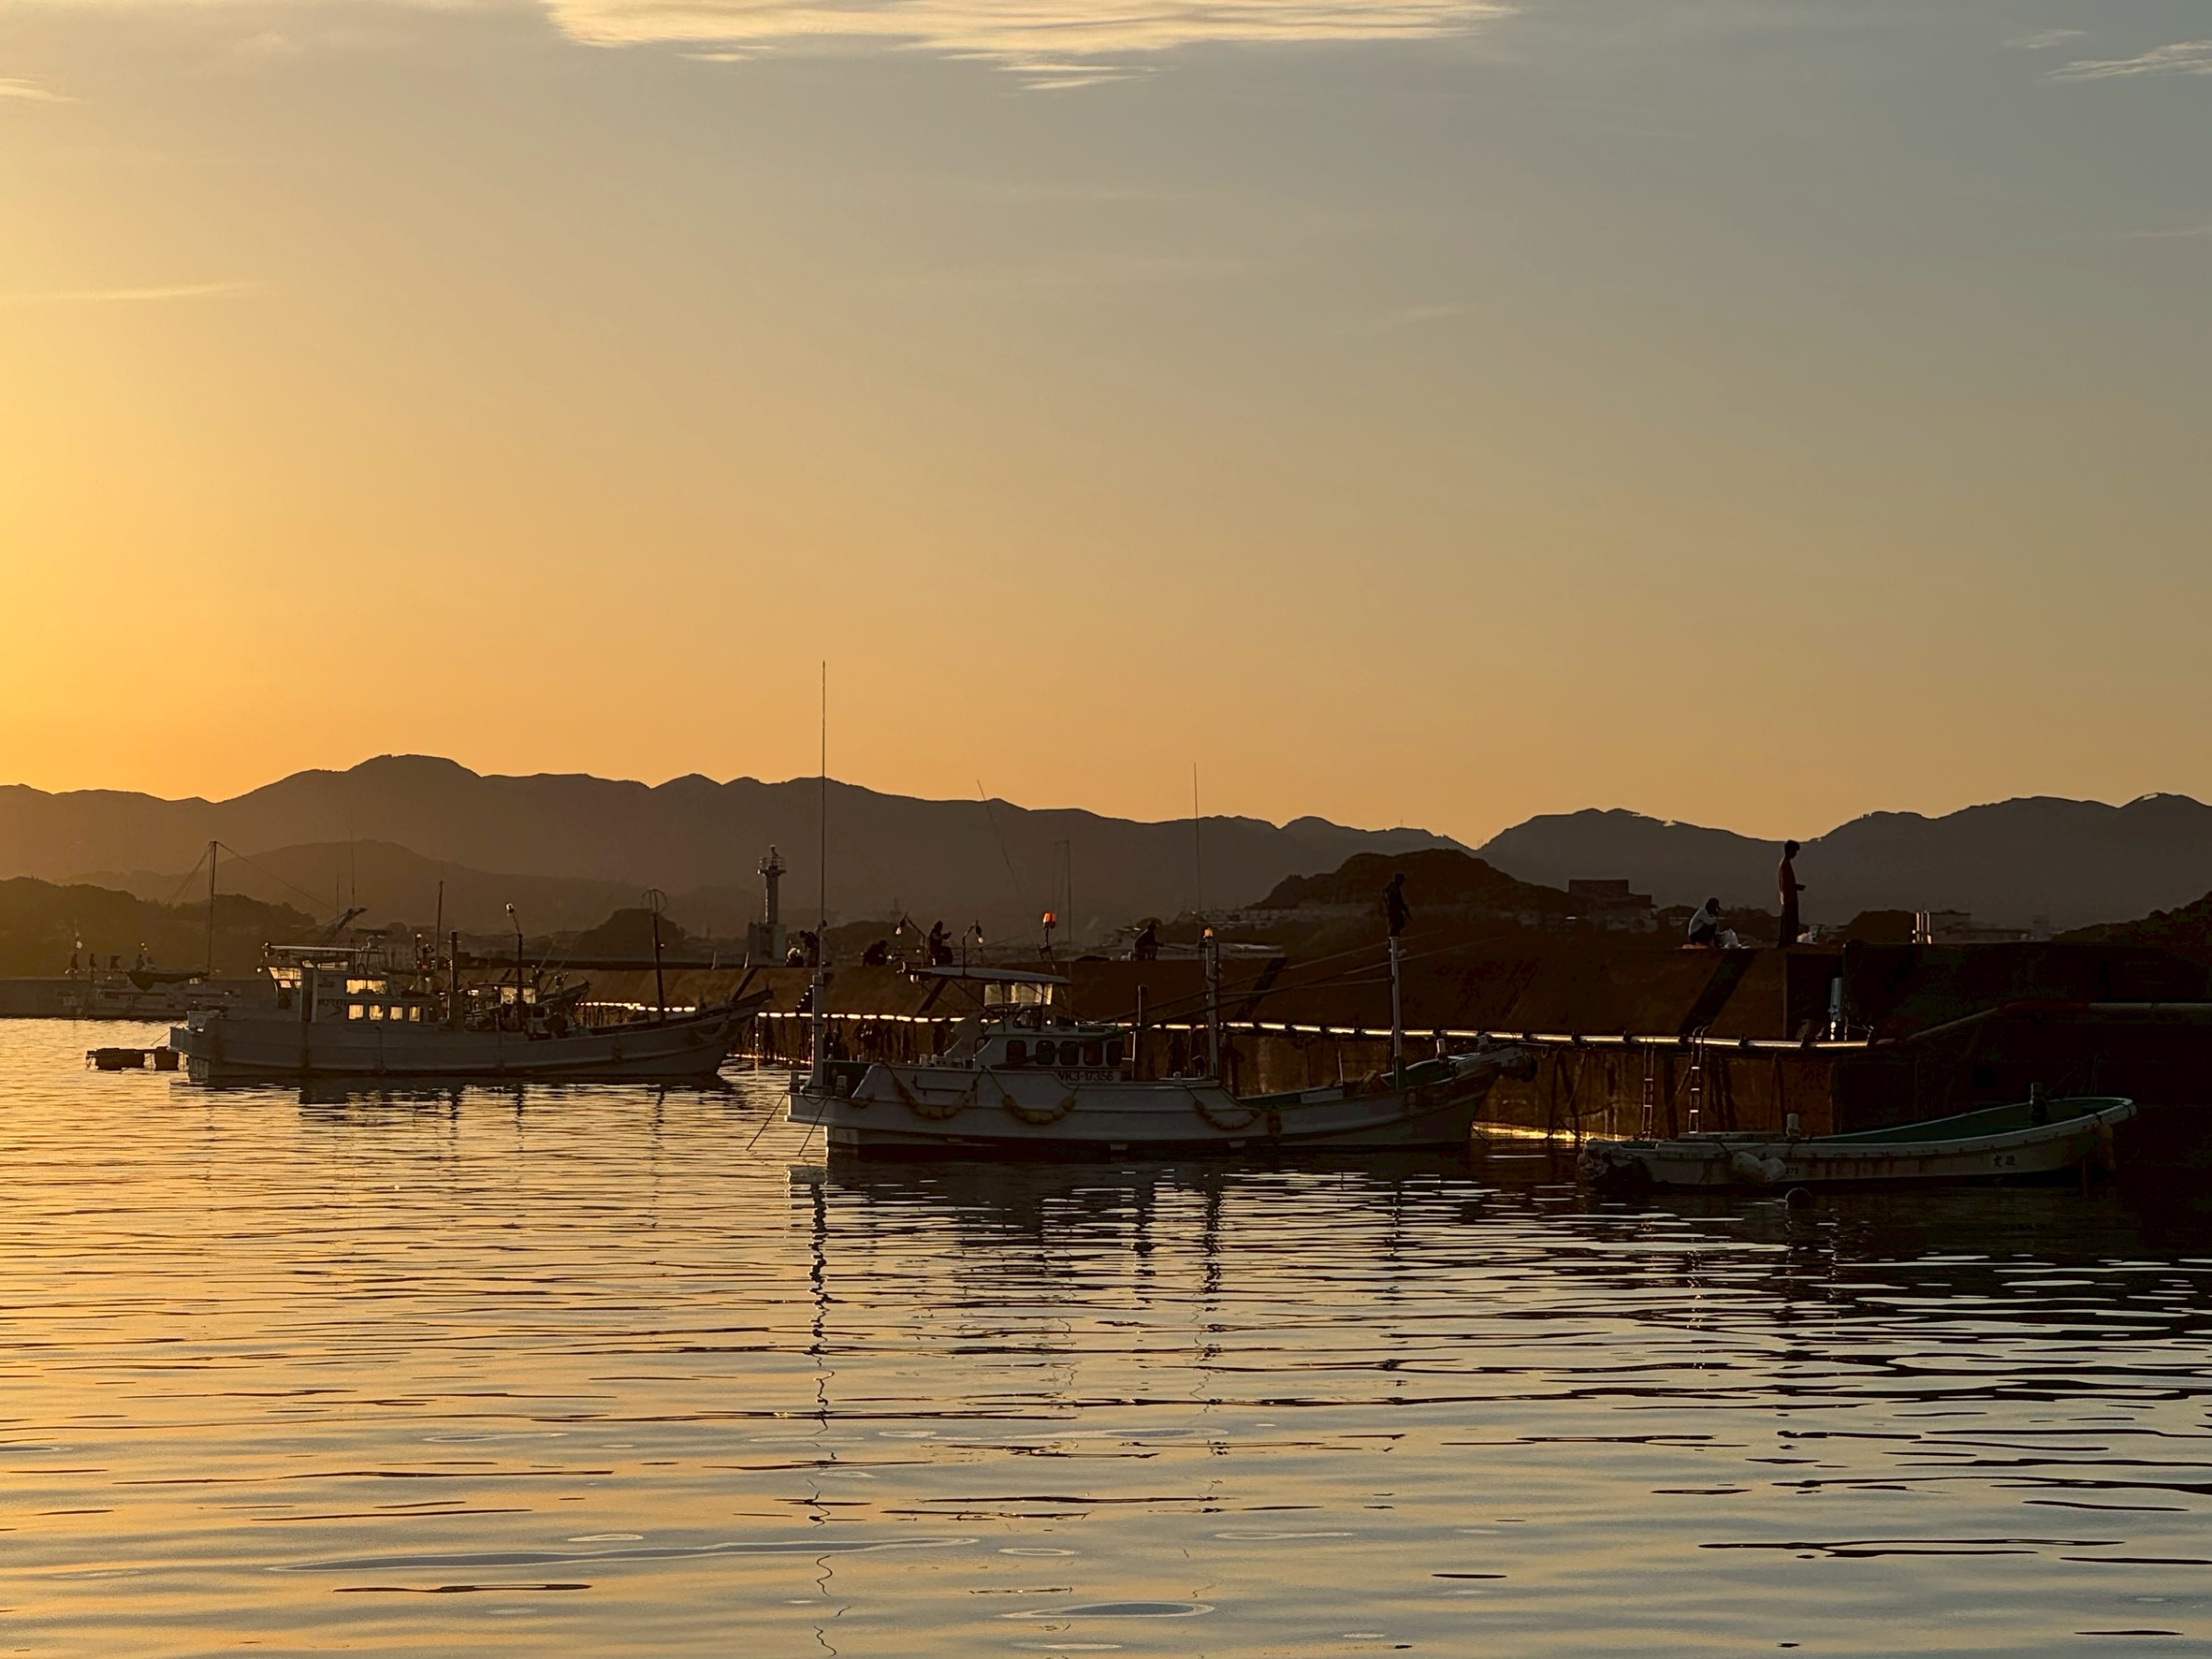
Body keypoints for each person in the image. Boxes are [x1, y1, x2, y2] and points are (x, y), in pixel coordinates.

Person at [1777, 840, 1806, 947]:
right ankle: (1788, 943)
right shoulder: (1785, 865)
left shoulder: (1784, 864)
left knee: (1789, 923)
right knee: (1790, 924)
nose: (1795, 854)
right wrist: (1797, 887)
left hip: (1788, 898)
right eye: (1794, 851)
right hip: (1789, 898)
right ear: (1789, 851)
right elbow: (1788, 883)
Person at [1383, 872, 1411, 939]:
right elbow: (1399, 901)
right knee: (1395, 928)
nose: (1402, 883)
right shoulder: (1394, 889)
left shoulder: (1391, 888)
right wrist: (1406, 911)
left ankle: (1392, 944)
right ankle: (1392, 945)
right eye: (1402, 881)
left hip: (1391, 912)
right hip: (1394, 913)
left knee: (1394, 928)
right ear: (1399, 880)